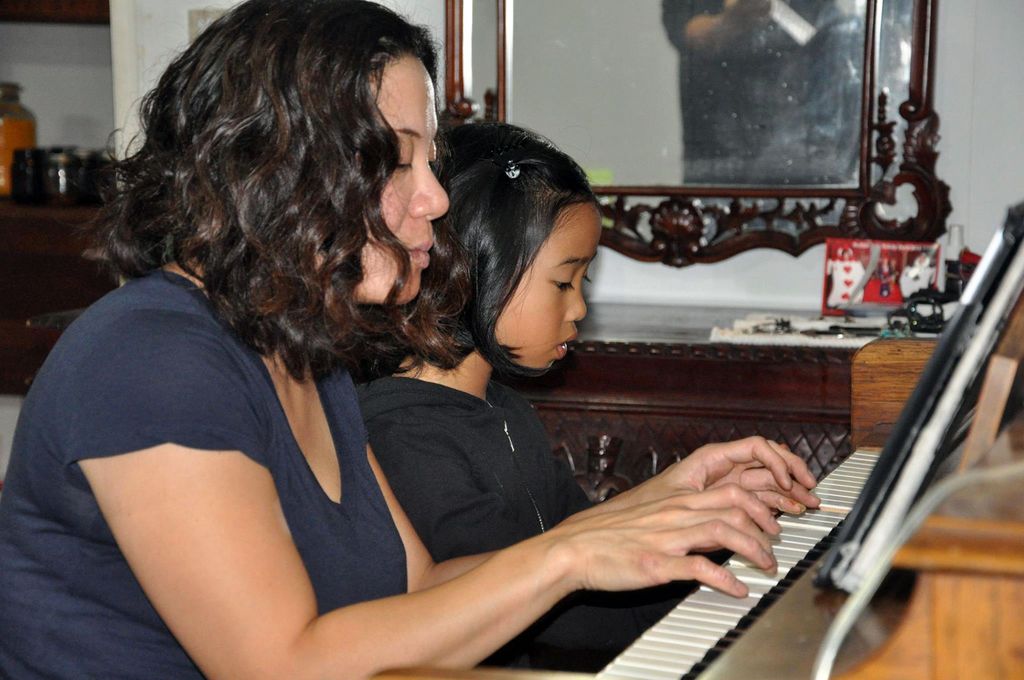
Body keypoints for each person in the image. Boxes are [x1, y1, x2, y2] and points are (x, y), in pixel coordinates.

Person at [0, 2, 815, 678]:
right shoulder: (151, 360)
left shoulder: (303, 350)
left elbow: (422, 589)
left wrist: (655, 508)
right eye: (400, 161)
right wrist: (568, 559)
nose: (432, 198)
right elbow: (281, 666)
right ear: (279, 169)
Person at [359, 122, 821, 670]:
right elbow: (566, 612)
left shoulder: (505, 411)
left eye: (585, 283)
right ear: (477, 268)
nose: (579, 309)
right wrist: (733, 579)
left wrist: (698, 506)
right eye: (563, 282)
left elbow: (585, 548)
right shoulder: (407, 437)